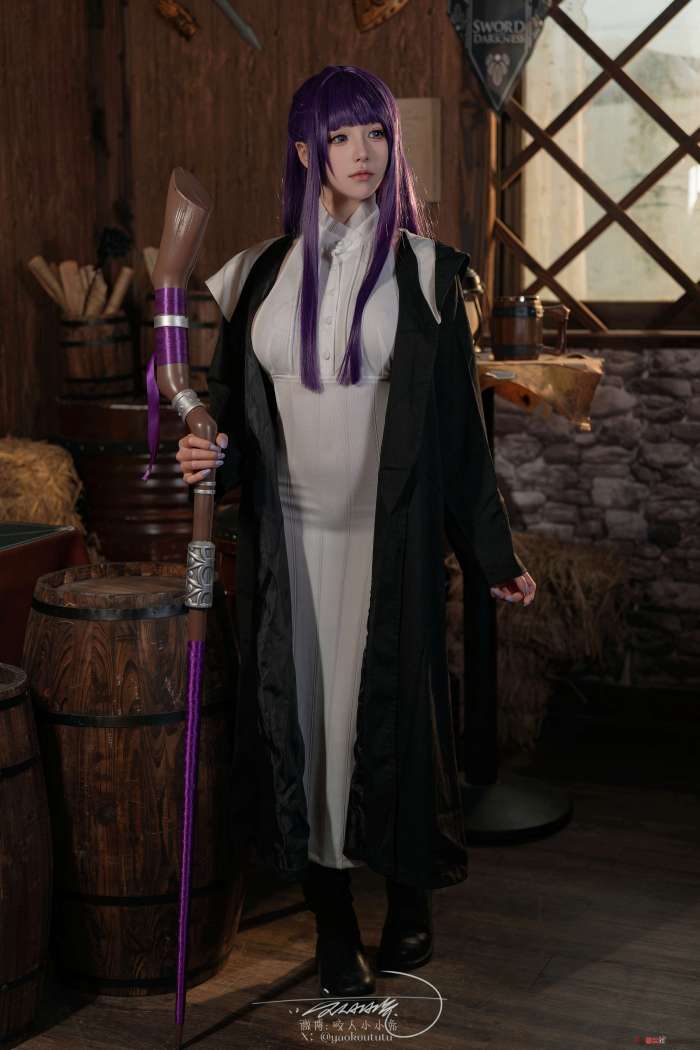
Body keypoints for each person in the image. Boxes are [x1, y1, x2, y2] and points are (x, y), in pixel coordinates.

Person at [176, 65, 536, 998]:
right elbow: (228, 416)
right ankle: (333, 922)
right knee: (308, 731)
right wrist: (205, 449)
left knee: (400, 727)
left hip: (390, 551)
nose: (362, 152)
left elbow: (457, 430)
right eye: (340, 136)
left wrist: (491, 553)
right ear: (306, 152)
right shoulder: (255, 275)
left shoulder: (428, 272)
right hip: (289, 555)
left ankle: (409, 903)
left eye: (375, 132)